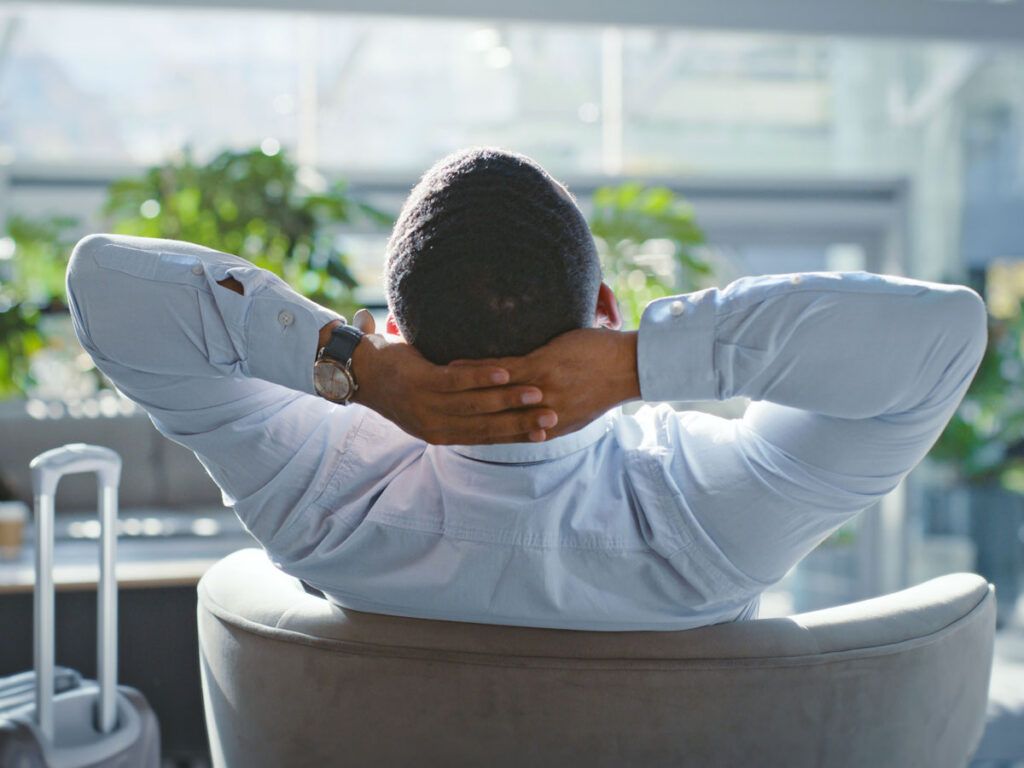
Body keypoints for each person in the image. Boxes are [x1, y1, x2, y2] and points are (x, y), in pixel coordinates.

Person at [65, 148, 987, 631]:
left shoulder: (322, 501)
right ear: (608, 304)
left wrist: (363, 373)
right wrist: (639, 363)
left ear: (391, 328)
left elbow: (103, 281)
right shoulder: (711, 526)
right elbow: (942, 336)